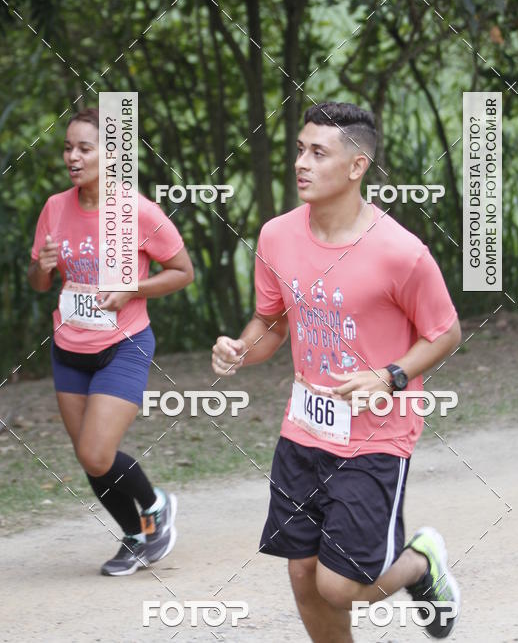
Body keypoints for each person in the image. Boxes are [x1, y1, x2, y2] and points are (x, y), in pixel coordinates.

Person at [212, 101, 461, 641]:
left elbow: (445, 332)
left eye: (318, 153)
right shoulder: (277, 236)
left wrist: (390, 375)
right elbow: (271, 323)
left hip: (376, 434)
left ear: (356, 167)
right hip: (304, 428)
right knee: (302, 573)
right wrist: (239, 348)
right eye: (300, 149)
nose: (302, 162)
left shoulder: (401, 253)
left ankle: (420, 561)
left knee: (339, 585)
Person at [28, 107, 194, 576]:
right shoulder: (55, 208)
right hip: (68, 347)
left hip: (124, 344)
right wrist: (40, 267)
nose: (73, 157)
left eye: (85, 147)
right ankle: (137, 537)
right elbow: (40, 285)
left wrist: (133, 289)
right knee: (89, 456)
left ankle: (154, 503)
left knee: (97, 451)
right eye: (67, 147)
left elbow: (183, 272)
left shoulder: (137, 211)